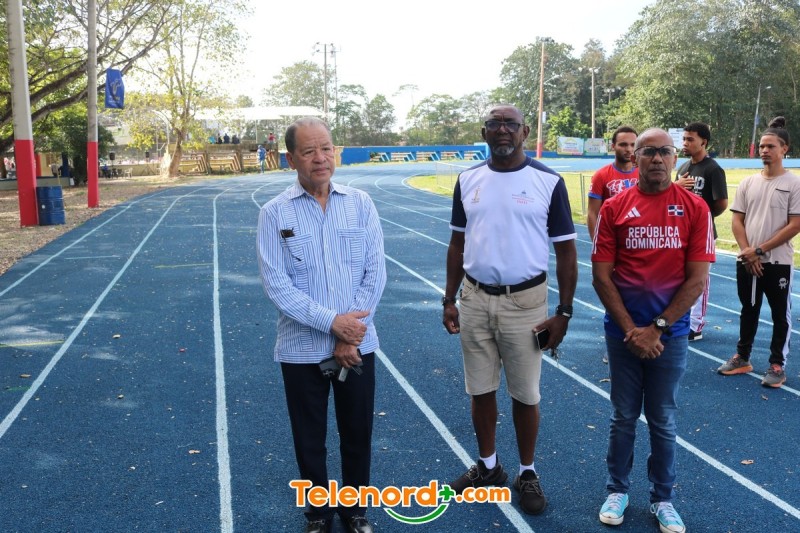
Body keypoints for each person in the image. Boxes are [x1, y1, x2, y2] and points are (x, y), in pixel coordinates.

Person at [442, 104, 577, 516]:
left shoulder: (548, 181)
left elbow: (566, 251)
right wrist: (449, 298)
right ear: (484, 132)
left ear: (525, 131)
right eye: (495, 124)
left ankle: (527, 471)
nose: (503, 130)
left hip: (526, 302)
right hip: (474, 299)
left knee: (525, 393)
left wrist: (564, 312)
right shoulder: (468, 180)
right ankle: (488, 466)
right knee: (480, 388)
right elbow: (457, 244)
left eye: (511, 124)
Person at [257, 117, 386, 533]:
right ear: (291, 158)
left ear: (336, 152)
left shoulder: (361, 204)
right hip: (301, 349)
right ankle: (318, 514)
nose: (320, 158)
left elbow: (375, 273)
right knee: (309, 438)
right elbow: (277, 285)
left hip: (358, 345)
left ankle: (355, 510)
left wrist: (351, 333)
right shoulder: (274, 213)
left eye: (326, 148)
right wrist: (333, 324)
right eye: (309, 151)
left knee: (357, 432)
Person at [591, 128, 714, 533]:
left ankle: (663, 498)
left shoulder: (695, 208)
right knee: (623, 416)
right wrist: (632, 330)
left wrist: (657, 329)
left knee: (662, 419)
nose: (657, 159)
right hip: (623, 334)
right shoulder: (614, 208)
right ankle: (617, 490)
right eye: (649, 152)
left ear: (674, 157)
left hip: (670, 336)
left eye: (665, 151)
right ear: (636, 157)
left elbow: (696, 280)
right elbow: (601, 277)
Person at [718, 116, 800, 388]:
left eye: (770, 146)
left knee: (779, 315)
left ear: (784, 149)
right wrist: (747, 252)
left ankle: (777, 365)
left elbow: (795, 224)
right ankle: (742, 357)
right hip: (748, 260)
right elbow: (737, 220)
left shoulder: (794, 183)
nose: (764, 150)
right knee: (748, 310)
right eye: (762, 146)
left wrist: (760, 250)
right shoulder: (748, 182)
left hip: (777, 262)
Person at [675, 122, 728, 341]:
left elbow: (721, 204)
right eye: (684, 139)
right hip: (681, 232)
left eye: (690, 139)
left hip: (703, 234)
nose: (685, 143)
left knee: (700, 280)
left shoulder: (713, 169)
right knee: (680, 278)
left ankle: (695, 325)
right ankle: (680, 317)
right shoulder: (683, 168)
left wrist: (703, 218)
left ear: (703, 142)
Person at [586, 126, 639, 241]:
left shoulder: (645, 174)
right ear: (613, 146)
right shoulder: (601, 175)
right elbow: (592, 213)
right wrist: (597, 242)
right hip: (612, 238)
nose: (629, 149)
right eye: (623, 145)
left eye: (633, 145)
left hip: (640, 238)